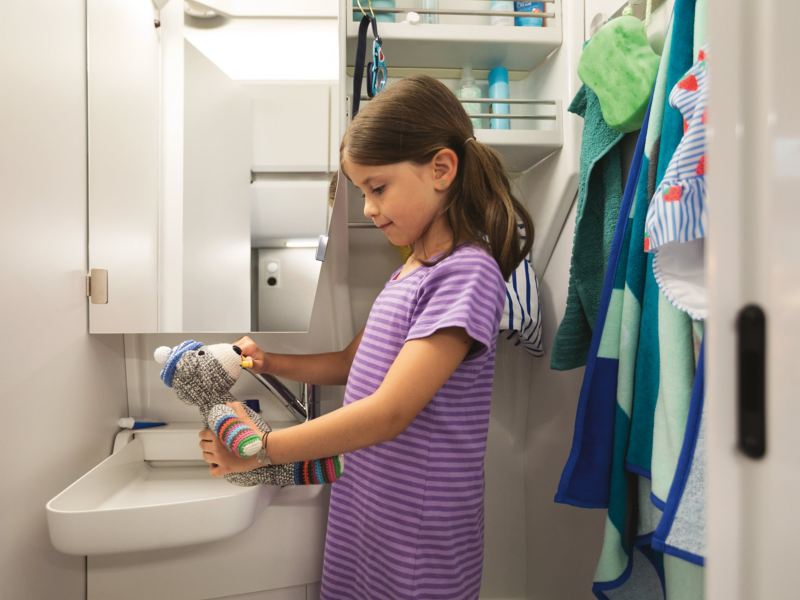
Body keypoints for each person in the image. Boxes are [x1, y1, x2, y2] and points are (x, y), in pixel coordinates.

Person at [200, 74, 534, 599]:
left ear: (442, 169)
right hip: (372, 510)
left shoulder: (466, 273)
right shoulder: (411, 272)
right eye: (361, 193)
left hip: (418, 532)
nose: (368, 208)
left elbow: (388, 412)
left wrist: (264, 449)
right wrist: (271, 362)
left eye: (377, 188)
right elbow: (352, 365)